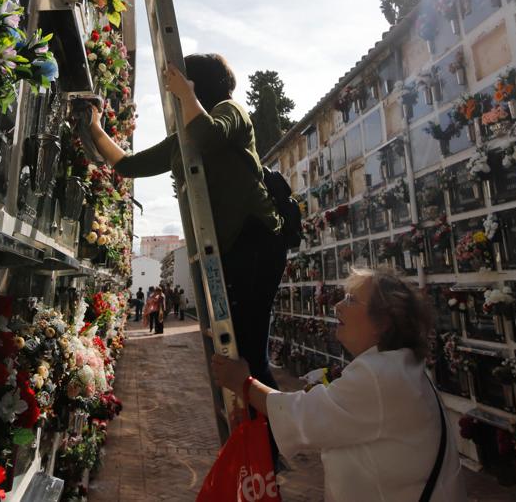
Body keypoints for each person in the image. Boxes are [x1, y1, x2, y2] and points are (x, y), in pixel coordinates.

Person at [87, 55, 285, 386]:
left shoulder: (229, 110)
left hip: (255, 238)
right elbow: (129, 165)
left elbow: (209, 136)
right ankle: (253, 431)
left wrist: (185, 93)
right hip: (228, 245)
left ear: (197, 84)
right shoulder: (185, 135)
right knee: (233, 351)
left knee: (247, 354)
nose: (171, 91)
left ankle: (272, 432)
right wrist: (94, 128)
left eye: (178, 83)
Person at [211, 268, 466, 502]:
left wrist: (243, 383)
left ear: (384, 321)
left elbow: (301, 415)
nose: (337, 306)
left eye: (351, 300)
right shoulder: (399, 369)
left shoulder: (379, 377)